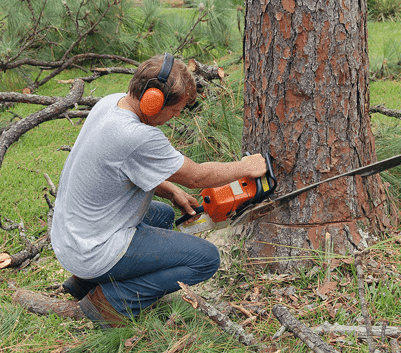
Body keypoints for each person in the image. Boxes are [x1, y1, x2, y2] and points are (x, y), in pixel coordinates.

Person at [51, 53, 266, 329]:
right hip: (91, 250)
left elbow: (125, 167)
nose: (175, 117)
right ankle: (111, 302)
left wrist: (170, 191)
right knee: (205, 260)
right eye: (174, 110)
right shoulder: (137, 136)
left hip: (72, 237)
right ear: (153, 101)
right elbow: (198, 176)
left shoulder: (110, 104)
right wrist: (245, 166)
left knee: (163, 215)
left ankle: (86, 280)